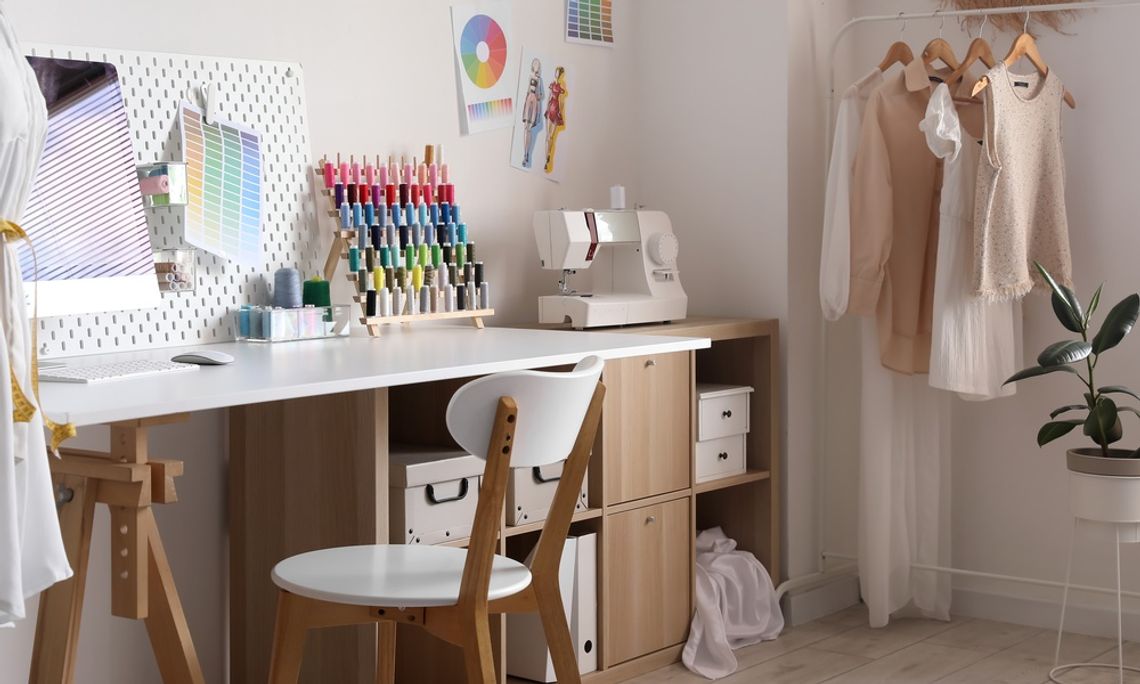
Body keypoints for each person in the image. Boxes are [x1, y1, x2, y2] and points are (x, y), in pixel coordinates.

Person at [544, 67, 567, 174]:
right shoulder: (552, 84)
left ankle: (549, 154)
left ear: (561, 75)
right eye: (556, 73)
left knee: (551, 136)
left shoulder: (561, 86)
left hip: (556, 109)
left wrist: (560, 112)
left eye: (558, 73)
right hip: (550, 108)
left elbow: (562, 101)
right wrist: (546, 109)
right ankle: (546, 159)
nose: (556, 75)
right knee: (547, 136)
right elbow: (549, 96)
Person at [520, 58, 543, 168]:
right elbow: (527, 90)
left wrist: (537, 97)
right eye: (535, 65)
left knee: (529, 128)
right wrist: (525, 103)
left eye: (538, 66)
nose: (536, 67)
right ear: (532, 66)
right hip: (529, 100)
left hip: (534, 102)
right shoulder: (530, 77)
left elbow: (541, 95)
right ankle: (525, 153)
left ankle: (526, 154)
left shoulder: (540, 79)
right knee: (526, 127)